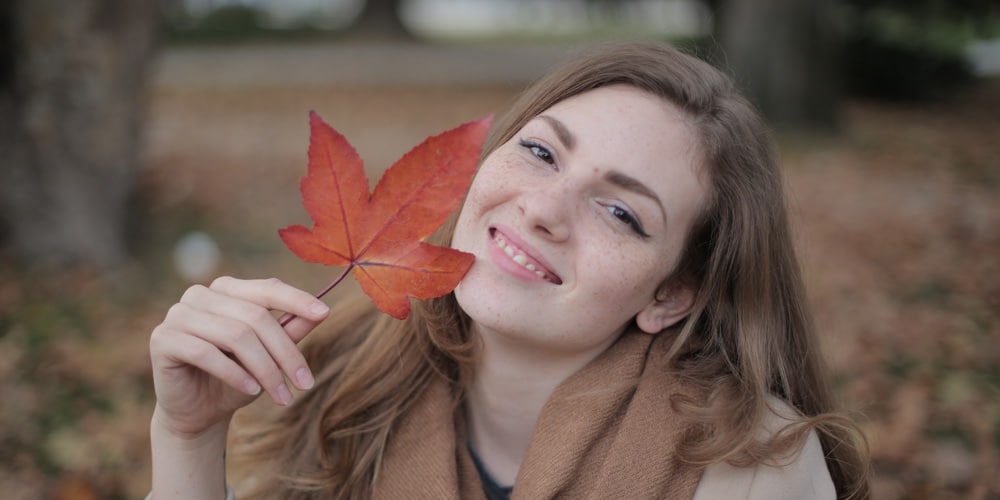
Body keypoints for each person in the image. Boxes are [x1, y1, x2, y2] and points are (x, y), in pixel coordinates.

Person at [148, 41, 871, 499]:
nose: (544, 209)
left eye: (621, 213)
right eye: (540, 152)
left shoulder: (750, 469)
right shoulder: (340, 387)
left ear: (671, 295)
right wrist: (188, 440)